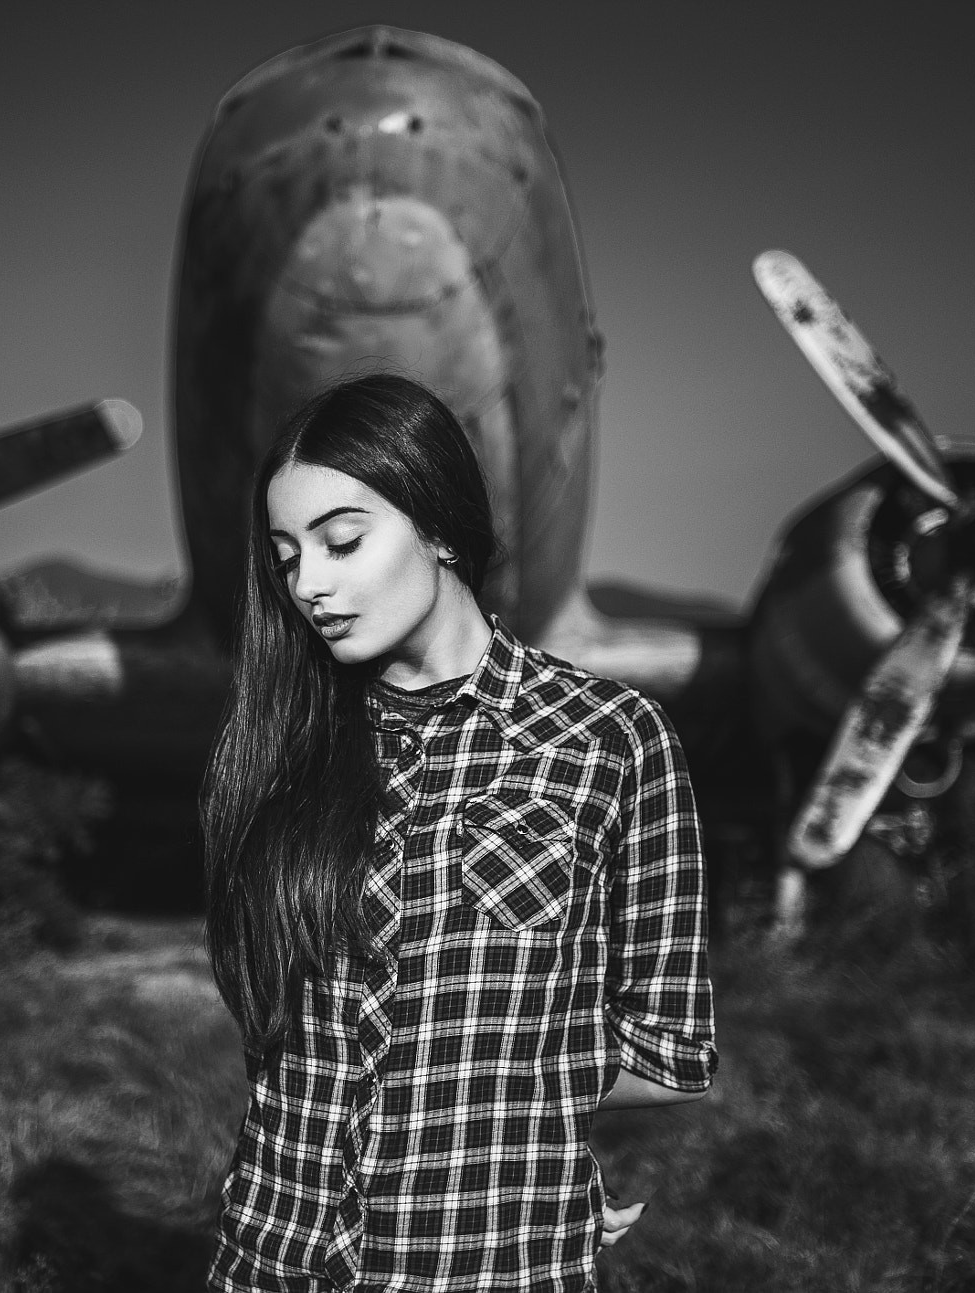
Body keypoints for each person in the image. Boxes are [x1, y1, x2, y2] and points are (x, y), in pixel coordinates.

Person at [202, 373, 716, 1292]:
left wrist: (528, 1133)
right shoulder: (282, 747)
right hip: (270, 1256)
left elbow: (671, 1053)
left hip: (488, 1264)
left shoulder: (608, 740)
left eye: (342, 541)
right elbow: (272, 1027)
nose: (309, 584)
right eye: (285, 557)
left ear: (439, 527)